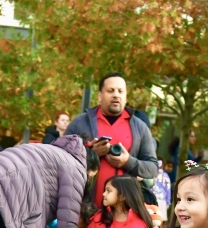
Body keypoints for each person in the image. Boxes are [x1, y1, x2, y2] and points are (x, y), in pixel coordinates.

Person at [65, 72, 158, 205]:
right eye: (110, 90)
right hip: (84, 210)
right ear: (99, 96)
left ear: (125, 96)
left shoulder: (140, 127)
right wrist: (90, 154)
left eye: (121, 91)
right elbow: (59, 159)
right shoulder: (80, 123)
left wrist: (128, 162)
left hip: (125, 213)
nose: (116, 94)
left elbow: (152, 168)